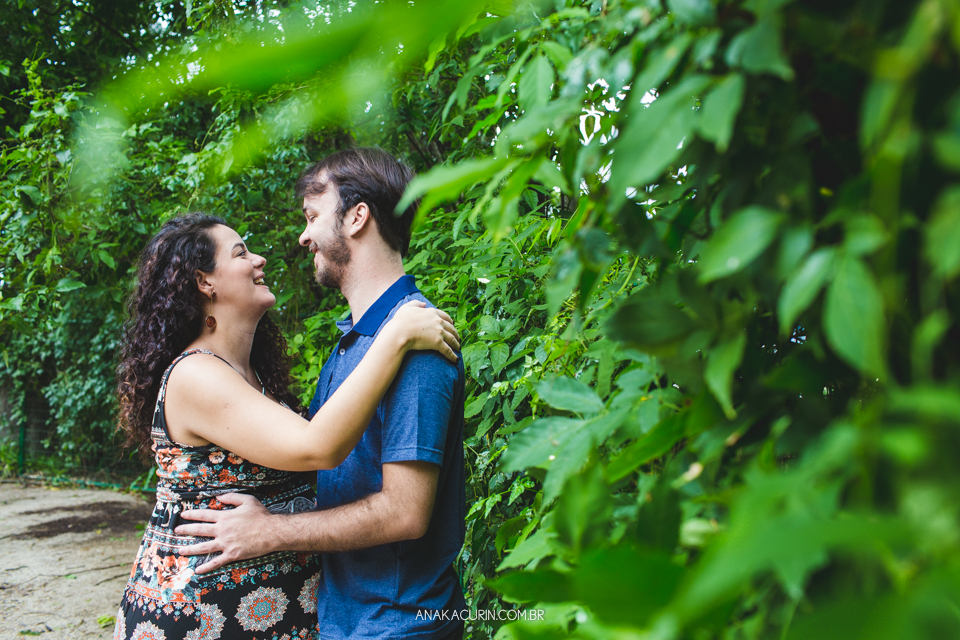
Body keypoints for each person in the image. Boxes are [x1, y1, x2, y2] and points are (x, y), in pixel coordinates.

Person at [112, 212, 459, 640]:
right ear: (205, 282)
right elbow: (318, 447)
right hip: (201, 616)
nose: (259, 260)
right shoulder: (195, 375)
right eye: (241, 252)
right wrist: (397, 335)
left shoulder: (254, 381)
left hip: (270, 617)